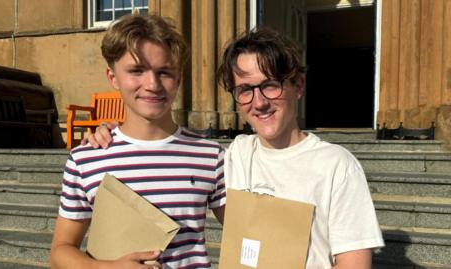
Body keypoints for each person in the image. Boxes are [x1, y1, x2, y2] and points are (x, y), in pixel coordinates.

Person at [87, 27, 384, 269]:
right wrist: (112, 131)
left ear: (299, 86)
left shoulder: (336, 165)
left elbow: (353, 263)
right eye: (245, 90)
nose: (260, 101)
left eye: (271, 85)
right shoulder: (234, 156)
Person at [50, 14, 226, 269]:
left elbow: (246, 234)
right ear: (113, 78)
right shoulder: (86, 158)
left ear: (178, 78)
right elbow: (59, 253)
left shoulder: (209, 155)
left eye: (164, 72)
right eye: (136, 71)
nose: (152, 84)